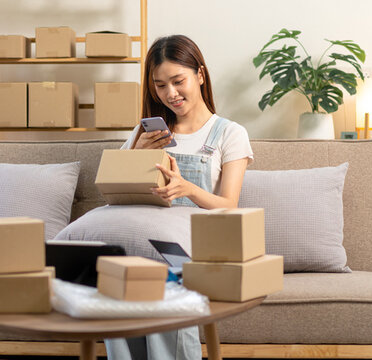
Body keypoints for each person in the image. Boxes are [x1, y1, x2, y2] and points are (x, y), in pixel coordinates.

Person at [105, 35, 254, 360]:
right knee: (114, 289)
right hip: (140, 243)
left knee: (163, 290)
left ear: (200, 75)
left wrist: (188, 189)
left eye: (178, 81)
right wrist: (135, 155)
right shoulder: (143, 134)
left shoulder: (228, 133)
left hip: (192, 251)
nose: (170, 94)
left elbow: (229, 206)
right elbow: (113, 196)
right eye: (160, 85)